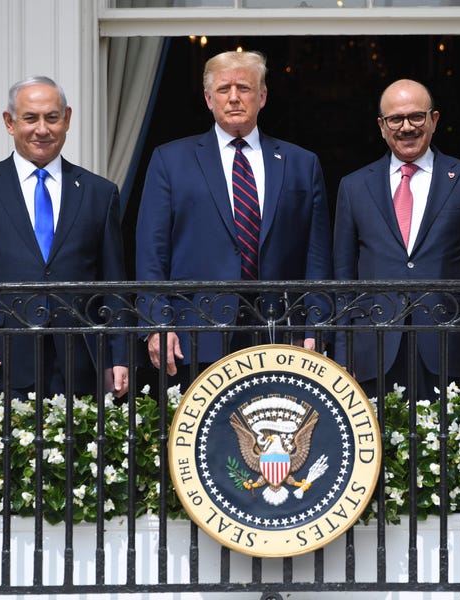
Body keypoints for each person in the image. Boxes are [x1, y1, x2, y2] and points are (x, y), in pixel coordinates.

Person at [135, 50, 332, 389]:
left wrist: (314, 329)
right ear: (209, 99)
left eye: (244, 87)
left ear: (263, 96)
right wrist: (158, 323)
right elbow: (152, 252)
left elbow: (316, 256)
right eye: (224, 89)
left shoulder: (301, 163)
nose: (235, 98)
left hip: (280, 334)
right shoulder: (170, 160)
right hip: (194, 334)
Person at [0, 76, 129, 404]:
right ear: (9, 122)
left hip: (79, 365)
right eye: (30, 118)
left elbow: (114, 285)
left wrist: (121, 356)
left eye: (52, 118)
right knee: (2, 458)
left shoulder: (100, 193)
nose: (42, 129)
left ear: (67, 119)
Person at [333, 79, 460, 402]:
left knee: (447, 450)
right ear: (382, 126)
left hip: (448, 346)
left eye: (416, 116)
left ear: (434, 120)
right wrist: (343, 355)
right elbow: (344, 279)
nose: (406, 127)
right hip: (375, 349)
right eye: (395, 119)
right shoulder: (354, 186)